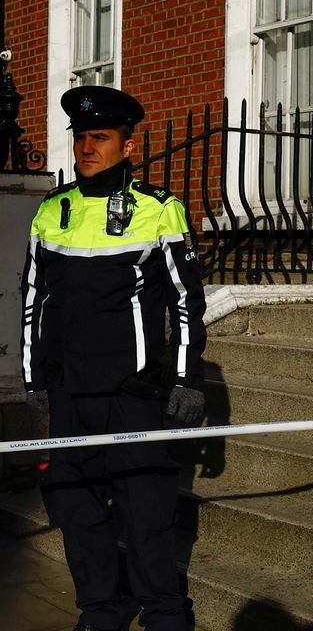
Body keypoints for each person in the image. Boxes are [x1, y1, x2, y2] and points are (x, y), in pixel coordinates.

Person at [20, 86, 207, 631]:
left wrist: (187, 380)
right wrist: (34, 379)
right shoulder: (52, 211)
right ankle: (102, 606)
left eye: (99, 137)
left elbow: (186, 303)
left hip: (134, 392)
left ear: (128, 145)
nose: (86, 147)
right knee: (75, 510)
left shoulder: (158, 210)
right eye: (81, 137)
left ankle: (164, 609)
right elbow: (32, 299)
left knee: (145, 510)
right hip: (68, 391)